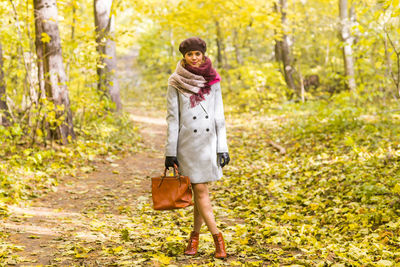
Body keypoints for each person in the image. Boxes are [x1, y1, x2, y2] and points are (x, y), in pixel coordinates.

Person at [164, 37, 230, 259]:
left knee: (199, 192)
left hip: (208, 144)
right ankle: (217, 239)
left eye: (197, 54)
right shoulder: (175, 82)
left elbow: (219, 116)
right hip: (187, 146)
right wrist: (169, 152)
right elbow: (173, 119)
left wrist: (223, 147)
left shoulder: (213, 80)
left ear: (203, 55)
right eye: (190, 54)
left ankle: (194, 237)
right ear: (184, 56)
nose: (194, 57)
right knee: (200, 191)